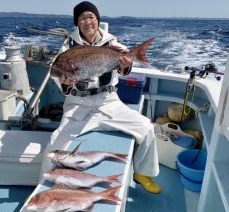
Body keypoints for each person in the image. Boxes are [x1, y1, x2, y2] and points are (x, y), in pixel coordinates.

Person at [40, 1, 161, 194]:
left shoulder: (113, 44)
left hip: (108, 101)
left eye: (91, 17)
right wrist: (66, 83)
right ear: (77, 23)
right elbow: (59, 78)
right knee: (54, 146)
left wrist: (124, 65)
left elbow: (124, 71)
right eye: (83, 18)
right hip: (78, 105)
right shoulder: (66, 49)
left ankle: (142, 172)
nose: (88, 21)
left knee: (146, 128)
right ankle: (47, 188)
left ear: (98, 20)